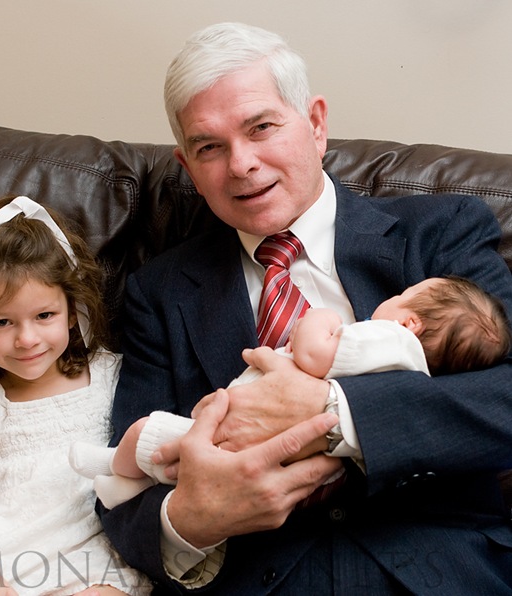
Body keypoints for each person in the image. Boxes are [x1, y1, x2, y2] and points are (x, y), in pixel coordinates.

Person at [99, 22, 512, 595]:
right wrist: (195, 519)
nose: (240, 164)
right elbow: (123, 486)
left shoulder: (441, 233)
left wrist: (334, 414)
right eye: (209, 147)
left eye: (261, 127)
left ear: (316, 123)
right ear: (188, 166)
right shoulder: (158, 292)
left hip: (439, 571)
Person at [72, 275, 511, 509]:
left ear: (410, 323)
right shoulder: (158, 285)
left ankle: (113, 464)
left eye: (401, 294)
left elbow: (316, 354)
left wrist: (317, 319)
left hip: (419, 547)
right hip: (277, 480)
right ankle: (127, 486)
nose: (243, 164)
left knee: (149, 434)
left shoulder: (388, 338)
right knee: (176, 468)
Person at [0, 196, 151, 596]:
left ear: (73, 310)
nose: (27, 339)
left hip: (81, 553)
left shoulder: (112, 374)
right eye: (2, 322)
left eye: (44, 316)